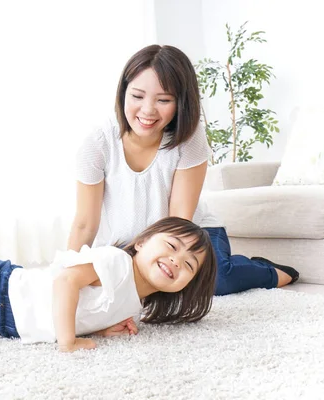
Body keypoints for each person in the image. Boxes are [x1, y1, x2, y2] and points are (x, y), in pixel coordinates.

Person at [68, 44, 299, 296]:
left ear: (180, 103)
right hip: (129, 243)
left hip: (187, 236)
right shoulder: (98, 143)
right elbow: (85, 225)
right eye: (137, 96)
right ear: (123, 92)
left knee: (214, 282)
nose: (147, 110)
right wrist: (66, 270)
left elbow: (179, 220)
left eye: (163, 100)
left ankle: (268, 271)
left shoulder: (189, 137)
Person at [0, 217, 217, 352]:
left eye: (188, 264)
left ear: (186, 285)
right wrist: (68, 341)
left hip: (6, 325)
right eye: (172, 247)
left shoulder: (136, 305)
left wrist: (102, 331)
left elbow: (87, 310)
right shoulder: (117, 262)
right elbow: (66, 281)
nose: (176, 260)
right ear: (142, 243)